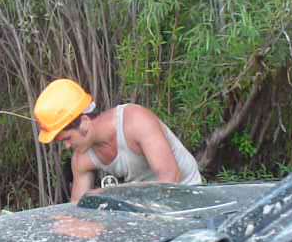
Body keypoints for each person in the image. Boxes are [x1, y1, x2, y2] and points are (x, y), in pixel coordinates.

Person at [34, 78, 202, 203]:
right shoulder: (81, 159)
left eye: (67, 138)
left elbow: (170, 179)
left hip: (188, 195)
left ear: (84, 123)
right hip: (142, 204)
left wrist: (113, 193)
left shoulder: (136, 122)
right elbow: (77, 208)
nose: (66, 146)